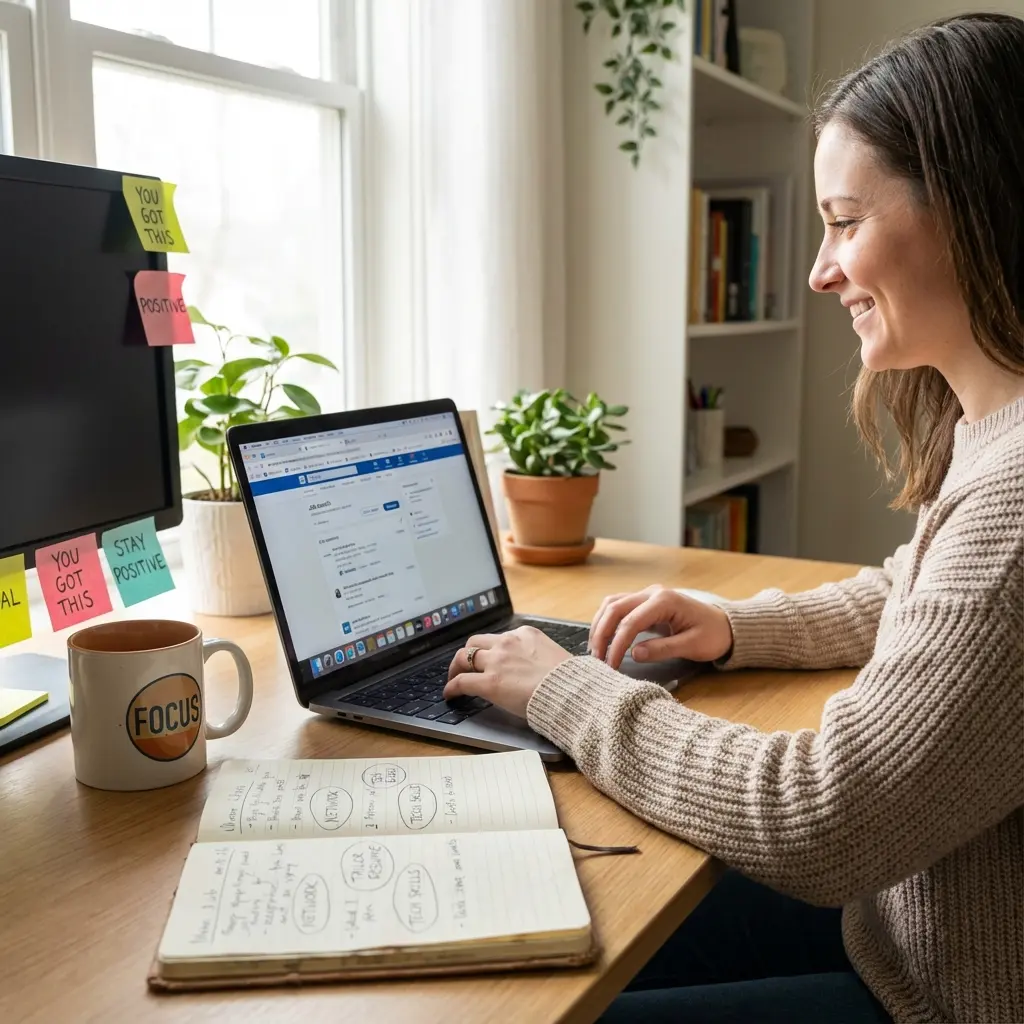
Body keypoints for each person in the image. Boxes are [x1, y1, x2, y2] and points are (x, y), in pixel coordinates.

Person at [445, 13, 1023, 1023]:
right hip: (898, 923)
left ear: (971, 210)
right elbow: (921, 591)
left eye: (844, 221)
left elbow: (820, 818)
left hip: (941, 996)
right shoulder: (996, 430)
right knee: (550, 927)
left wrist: (564, 691)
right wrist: (737, 625)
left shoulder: (1015, 504)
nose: (819, 269)